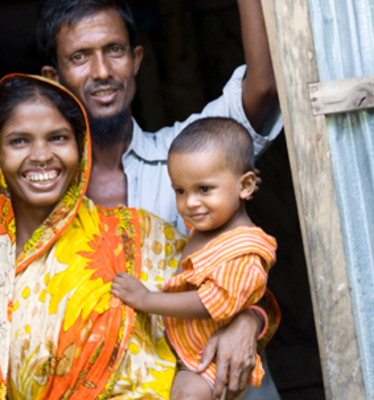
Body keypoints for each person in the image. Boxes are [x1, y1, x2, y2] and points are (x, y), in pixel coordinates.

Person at [36, 1, 283, 398]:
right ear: (54, 76)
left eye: (114, 50)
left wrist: (251, 318)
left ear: (135, 60)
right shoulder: (43, 200)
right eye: (80, 56)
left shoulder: (193, 156)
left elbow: (263, 87)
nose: (101, 71)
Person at [0, 73, 204, 400]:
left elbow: (228, 293)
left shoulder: (135, 235)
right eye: (19, 141)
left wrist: (247, 323)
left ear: (80, 144)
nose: (41, 155)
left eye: (57, 138)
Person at [111, 117, 279, 400]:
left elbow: (212, 301)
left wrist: (146, 300)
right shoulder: (206, 227)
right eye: (180, 191)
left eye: (204, 189)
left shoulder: (246, 247)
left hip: (212, 360)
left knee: (188, 395)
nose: (189, 203)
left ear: (247, 185)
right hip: (185, 351)